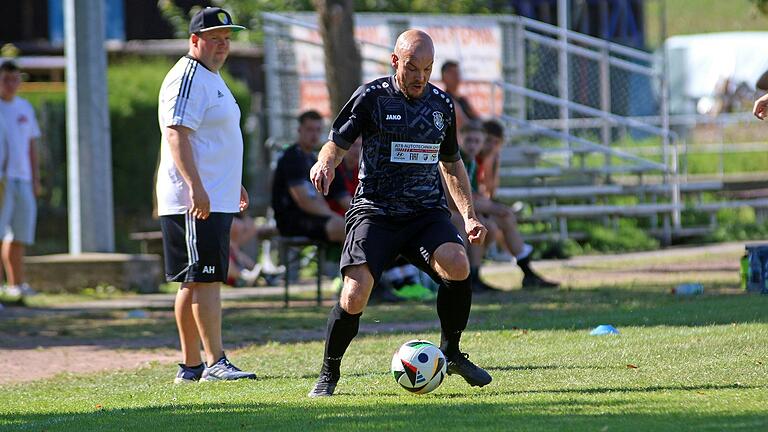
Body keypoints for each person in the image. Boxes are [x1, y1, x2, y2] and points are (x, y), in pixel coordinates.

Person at [307, 29, 493, 397]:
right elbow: (336, 142)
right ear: (395, 62)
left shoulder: (441, 105)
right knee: (355, 294)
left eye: (427, 69)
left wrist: (469, 215)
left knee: (458, 263)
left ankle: (451, 353)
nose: (420, 77)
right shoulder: (372, 97)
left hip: (425, 213)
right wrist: (325, 164)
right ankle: (328, 373)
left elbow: (452, 163)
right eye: (412, 67)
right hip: (375, 211)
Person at [155, 7, 255, 383]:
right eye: (215, 39)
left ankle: (192, 366)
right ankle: (215, 362)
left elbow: (215, 139)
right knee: (206, 279)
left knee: (194, 280)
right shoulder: (187, 77)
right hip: (196, 199)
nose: (222, 46)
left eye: (227, 40)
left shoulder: (210, 76)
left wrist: (233, 181)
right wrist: (197, 187)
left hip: (214, 194)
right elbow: (176, 133)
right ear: (195, 40)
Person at [459, 121, 559, 290]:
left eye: (495, 142)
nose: (489, 145)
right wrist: (494, 207)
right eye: (488, 141)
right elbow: (464, 196)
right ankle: (477, 277)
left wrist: (493, 163)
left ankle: (524, 271)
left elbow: (487, 191)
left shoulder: (479, 161)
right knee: (491, 222)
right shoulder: (465, 159)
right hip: (457, 209)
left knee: (499, 220)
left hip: (470, 208)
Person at [272, 110, 345, 243]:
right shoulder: (292, 157)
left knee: (355, 228)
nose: (314, 134)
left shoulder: (313, 159)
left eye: (318, 130)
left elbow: (319, 197)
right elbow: (304, 201)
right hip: (291, 220)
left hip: (311, 217)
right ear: (299, 130)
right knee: (344, 228)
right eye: (310, 129)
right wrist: (335, 216)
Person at [0, 60, 41, 299]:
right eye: (6, 80)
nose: (11, 85)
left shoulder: (25, 107)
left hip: (22, 178)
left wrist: (35, 178)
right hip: (2, 179)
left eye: (15, 79)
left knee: (19, 234)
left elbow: (31, 145)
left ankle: (16, 285)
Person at [441, 60, 479, 132]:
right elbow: (464, 124)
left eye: (457, 73)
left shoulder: (462, 99)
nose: (456, 77)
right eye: (452, 74)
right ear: (443, 76)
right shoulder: (445, 100)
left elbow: (476, 118)